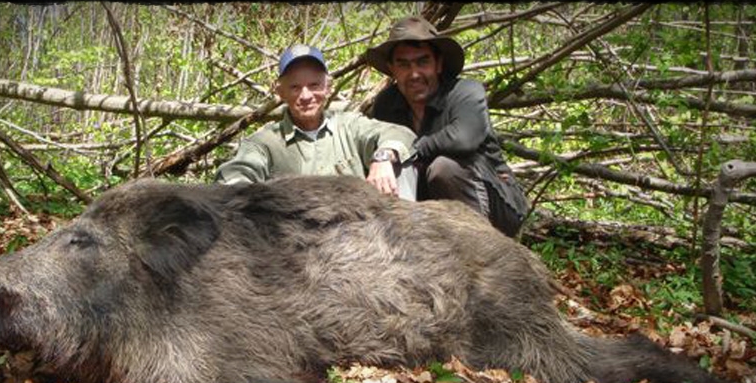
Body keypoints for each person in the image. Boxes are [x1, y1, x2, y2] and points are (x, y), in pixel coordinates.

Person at [366, 16, 529, 237]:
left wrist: (399, 151)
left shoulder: (465, 92)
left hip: (495, 204)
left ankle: (478, 245)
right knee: (387, 170)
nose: (414, 74)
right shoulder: (386, 103)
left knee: (444, 169)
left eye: (422, 62)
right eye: (403, 65)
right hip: (427, 205)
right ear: (391, 69)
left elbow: (463, 138)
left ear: (438, 64)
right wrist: (383, 159)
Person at [216, 44, 418, 200]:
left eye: (314, 85)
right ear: (280, 92)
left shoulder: (349, 126)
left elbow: (401, 134)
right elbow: (235, 173)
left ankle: (406, 236)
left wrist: (383, 158)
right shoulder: (265, 143)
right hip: (295, 235)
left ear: (328, 88)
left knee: (400, 161)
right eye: (295, 87)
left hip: (357, 232)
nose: (306, 96)